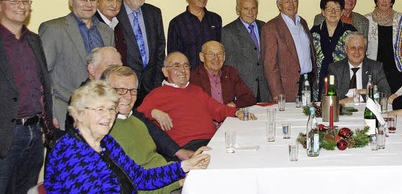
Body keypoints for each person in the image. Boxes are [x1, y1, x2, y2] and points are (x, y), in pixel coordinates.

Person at [44, 80, 211, 193]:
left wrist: (186, 165)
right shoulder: (69, 152)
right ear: (78, 114)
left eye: (111, 109)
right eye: (100, 109)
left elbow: (140, 177)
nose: (108, 116)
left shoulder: (106, 142)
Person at [137, 52, 256, 151]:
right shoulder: (157, 94)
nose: (182, 70)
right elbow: (135, 117)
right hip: (188, 147)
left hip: (213, 141)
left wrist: (237, 113)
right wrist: (153, 112)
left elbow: (217, 109)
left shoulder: (196, 90)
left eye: (185, 66)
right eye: (176, 66)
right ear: (165, 71)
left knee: (249, 146)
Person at [0, 0, 54, 194]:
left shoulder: (34, 40)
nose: (21, 6)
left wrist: (45, 125)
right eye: (14, 1)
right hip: (6, 133)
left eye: (25, 1)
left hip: (34, 131)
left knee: (26, 189)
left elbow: (42, 84)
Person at [39, 0, 114, 130]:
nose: (88, 4)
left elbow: (111, 73)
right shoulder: (54, 29)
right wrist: (49, 111)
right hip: (63, 111)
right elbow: (41, 75)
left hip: (98, 116)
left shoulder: (107, 32)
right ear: (71, 0)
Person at [103, 66, 184, 193]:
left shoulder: (136, 121)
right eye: (120, 90)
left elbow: (155, 162)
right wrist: (179, 182)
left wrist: (187, 167)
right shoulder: (104, 133)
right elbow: (132, 186)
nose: (128, 97)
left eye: (132, 91)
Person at [115, 0, 165, 107]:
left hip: (151, 84)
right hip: (124, 86)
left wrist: (157, 78)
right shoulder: (115, 13)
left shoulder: (154, 13)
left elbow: (160, 46)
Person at [262, 0, 316, 102]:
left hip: (307, 82)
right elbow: (270, 65)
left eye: (294, 0)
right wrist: (277, 93)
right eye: (287, 2)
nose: (291, 5)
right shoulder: (271, 28)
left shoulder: (302, 22)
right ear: (278, 5)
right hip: (286, 88)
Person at [221, 0, 270, 102]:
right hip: (243, 89)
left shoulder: (265, 27)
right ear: (238, 10)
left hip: (265, 89)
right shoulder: (228, 32)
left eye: (253, 8)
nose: (250, 13)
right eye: (246, 9)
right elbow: (229, 67)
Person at [168, 0, 222, 70]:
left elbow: (221, 48)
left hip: (213, 75)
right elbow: (173, 55)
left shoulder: (215, 19)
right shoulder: (177, 23)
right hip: (189, 76)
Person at [311, 0, 357, 98]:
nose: (333, 12)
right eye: (329, 9)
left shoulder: (350, 32)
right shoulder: (314, 32)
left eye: (337, 9)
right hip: (318, 83)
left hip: (343, 81)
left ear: (342, 12)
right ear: (322, 12)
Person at [327, 32, 390, 104]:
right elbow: (330, 97)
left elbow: (386, 94)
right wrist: (366, 93)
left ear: (365, 49)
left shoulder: (376, 67)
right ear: (345, 49)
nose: (357, 52)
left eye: (360, 48)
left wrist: (360, 95)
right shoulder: (335, 69)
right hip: (342, 111)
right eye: (353, 48)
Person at [190, 41, 256, 108]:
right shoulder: (193, 77)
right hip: (206, 117)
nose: (216, 58)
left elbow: (249, 97)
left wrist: (232, 105)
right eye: (211, 54)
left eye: (220, 54)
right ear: (202, 57)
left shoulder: (230, 72)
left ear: (224, 56)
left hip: (228, 116)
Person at [364, 0, 402, 92]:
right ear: (376, 0)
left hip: (396, 68)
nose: (384, 0)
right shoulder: (367, 19)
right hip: (374, 67)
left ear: (392, 1)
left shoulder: (400, 18)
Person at [96, 0, 127, 64]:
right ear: (97, 2)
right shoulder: (93, 24)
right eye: (109, 0)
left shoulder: (119, 24)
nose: (114, 5)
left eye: (118, 1)